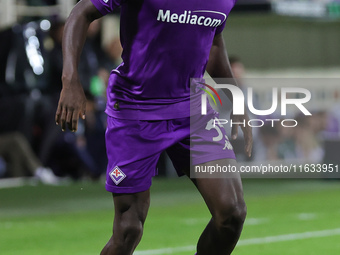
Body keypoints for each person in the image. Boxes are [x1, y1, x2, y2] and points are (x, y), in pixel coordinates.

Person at [55, 0, 252, 254]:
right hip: (135, 110)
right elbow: (81, 12)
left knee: (232, 212)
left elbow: (213, 40)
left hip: (191, 108)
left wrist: (235, 97)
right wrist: (70, 80)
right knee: (128, 229)